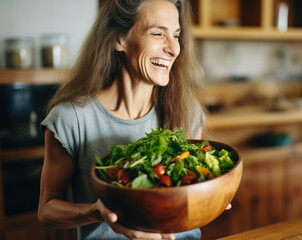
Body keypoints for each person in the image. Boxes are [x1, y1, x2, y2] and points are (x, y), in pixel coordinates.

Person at [37, 0, 208, 239]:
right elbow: (47, 209)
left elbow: (194, 194)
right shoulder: (71, 119)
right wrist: (97, 212)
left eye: (176, 35)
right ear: (120, 39)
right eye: (158, 33)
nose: (174, 49)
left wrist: (212, 196)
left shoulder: (188, 111)